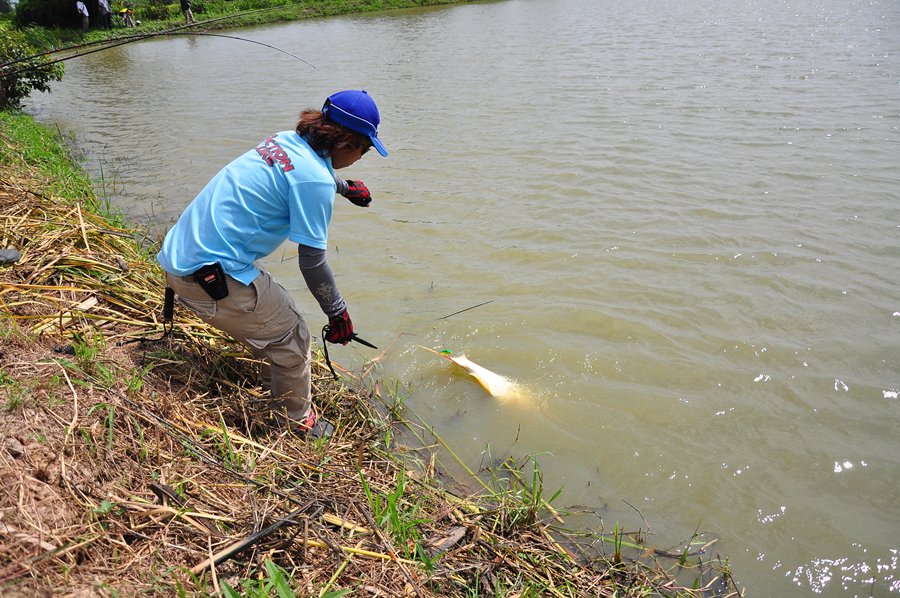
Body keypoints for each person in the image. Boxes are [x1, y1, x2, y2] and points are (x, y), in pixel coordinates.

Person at [157, 90, 387, 439]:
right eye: (364, 149)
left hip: (179, 257)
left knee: (276, 309)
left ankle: (278, 379)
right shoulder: (314, 181)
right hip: (205, 277)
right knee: (294, 333)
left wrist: (342, 187)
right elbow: (312, 263)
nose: (361, 158)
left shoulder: (284, 141)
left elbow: (299, 171)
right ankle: (296, 423)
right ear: (344, 142)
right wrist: (338, 313)